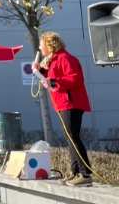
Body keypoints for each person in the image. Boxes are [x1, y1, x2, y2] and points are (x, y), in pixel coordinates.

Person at [35, 31, 93, 187]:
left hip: (71, 103)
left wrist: (52, 81)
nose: (40, 49)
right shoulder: (53, 60)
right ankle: (75, 172)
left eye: (41, 45)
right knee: (70, 138)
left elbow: (75, 78)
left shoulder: (65, 58)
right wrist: (39, 70)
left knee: (73, 137)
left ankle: (86, 174)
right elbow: (50, 77)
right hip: (62, 103)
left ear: (49, 45)